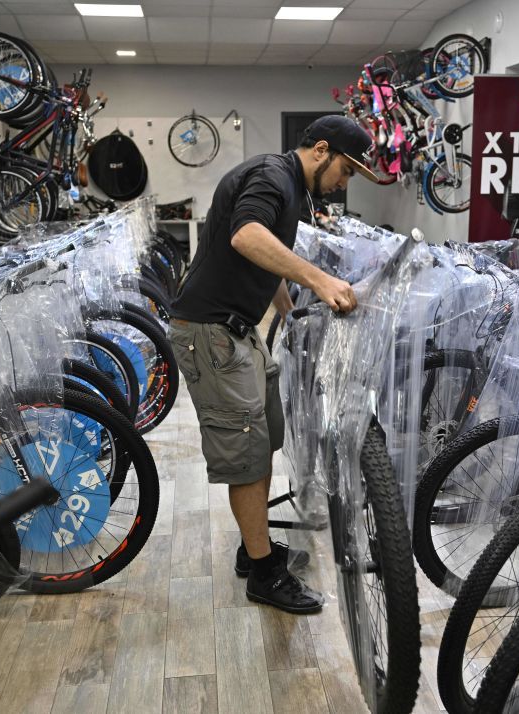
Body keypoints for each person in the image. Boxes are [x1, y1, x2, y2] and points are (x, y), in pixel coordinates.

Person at [167, 116, 380, 614]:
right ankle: (264, 575)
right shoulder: (272, 175)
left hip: (239, 331)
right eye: (345, 171)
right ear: (320, 149)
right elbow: (247, 238)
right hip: (213, 333)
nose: (344, 184)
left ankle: (253, 546)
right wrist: (322, 281)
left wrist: (290, 313)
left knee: (263, 440)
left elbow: (266, 258)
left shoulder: (289, 186)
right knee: (244, 453)